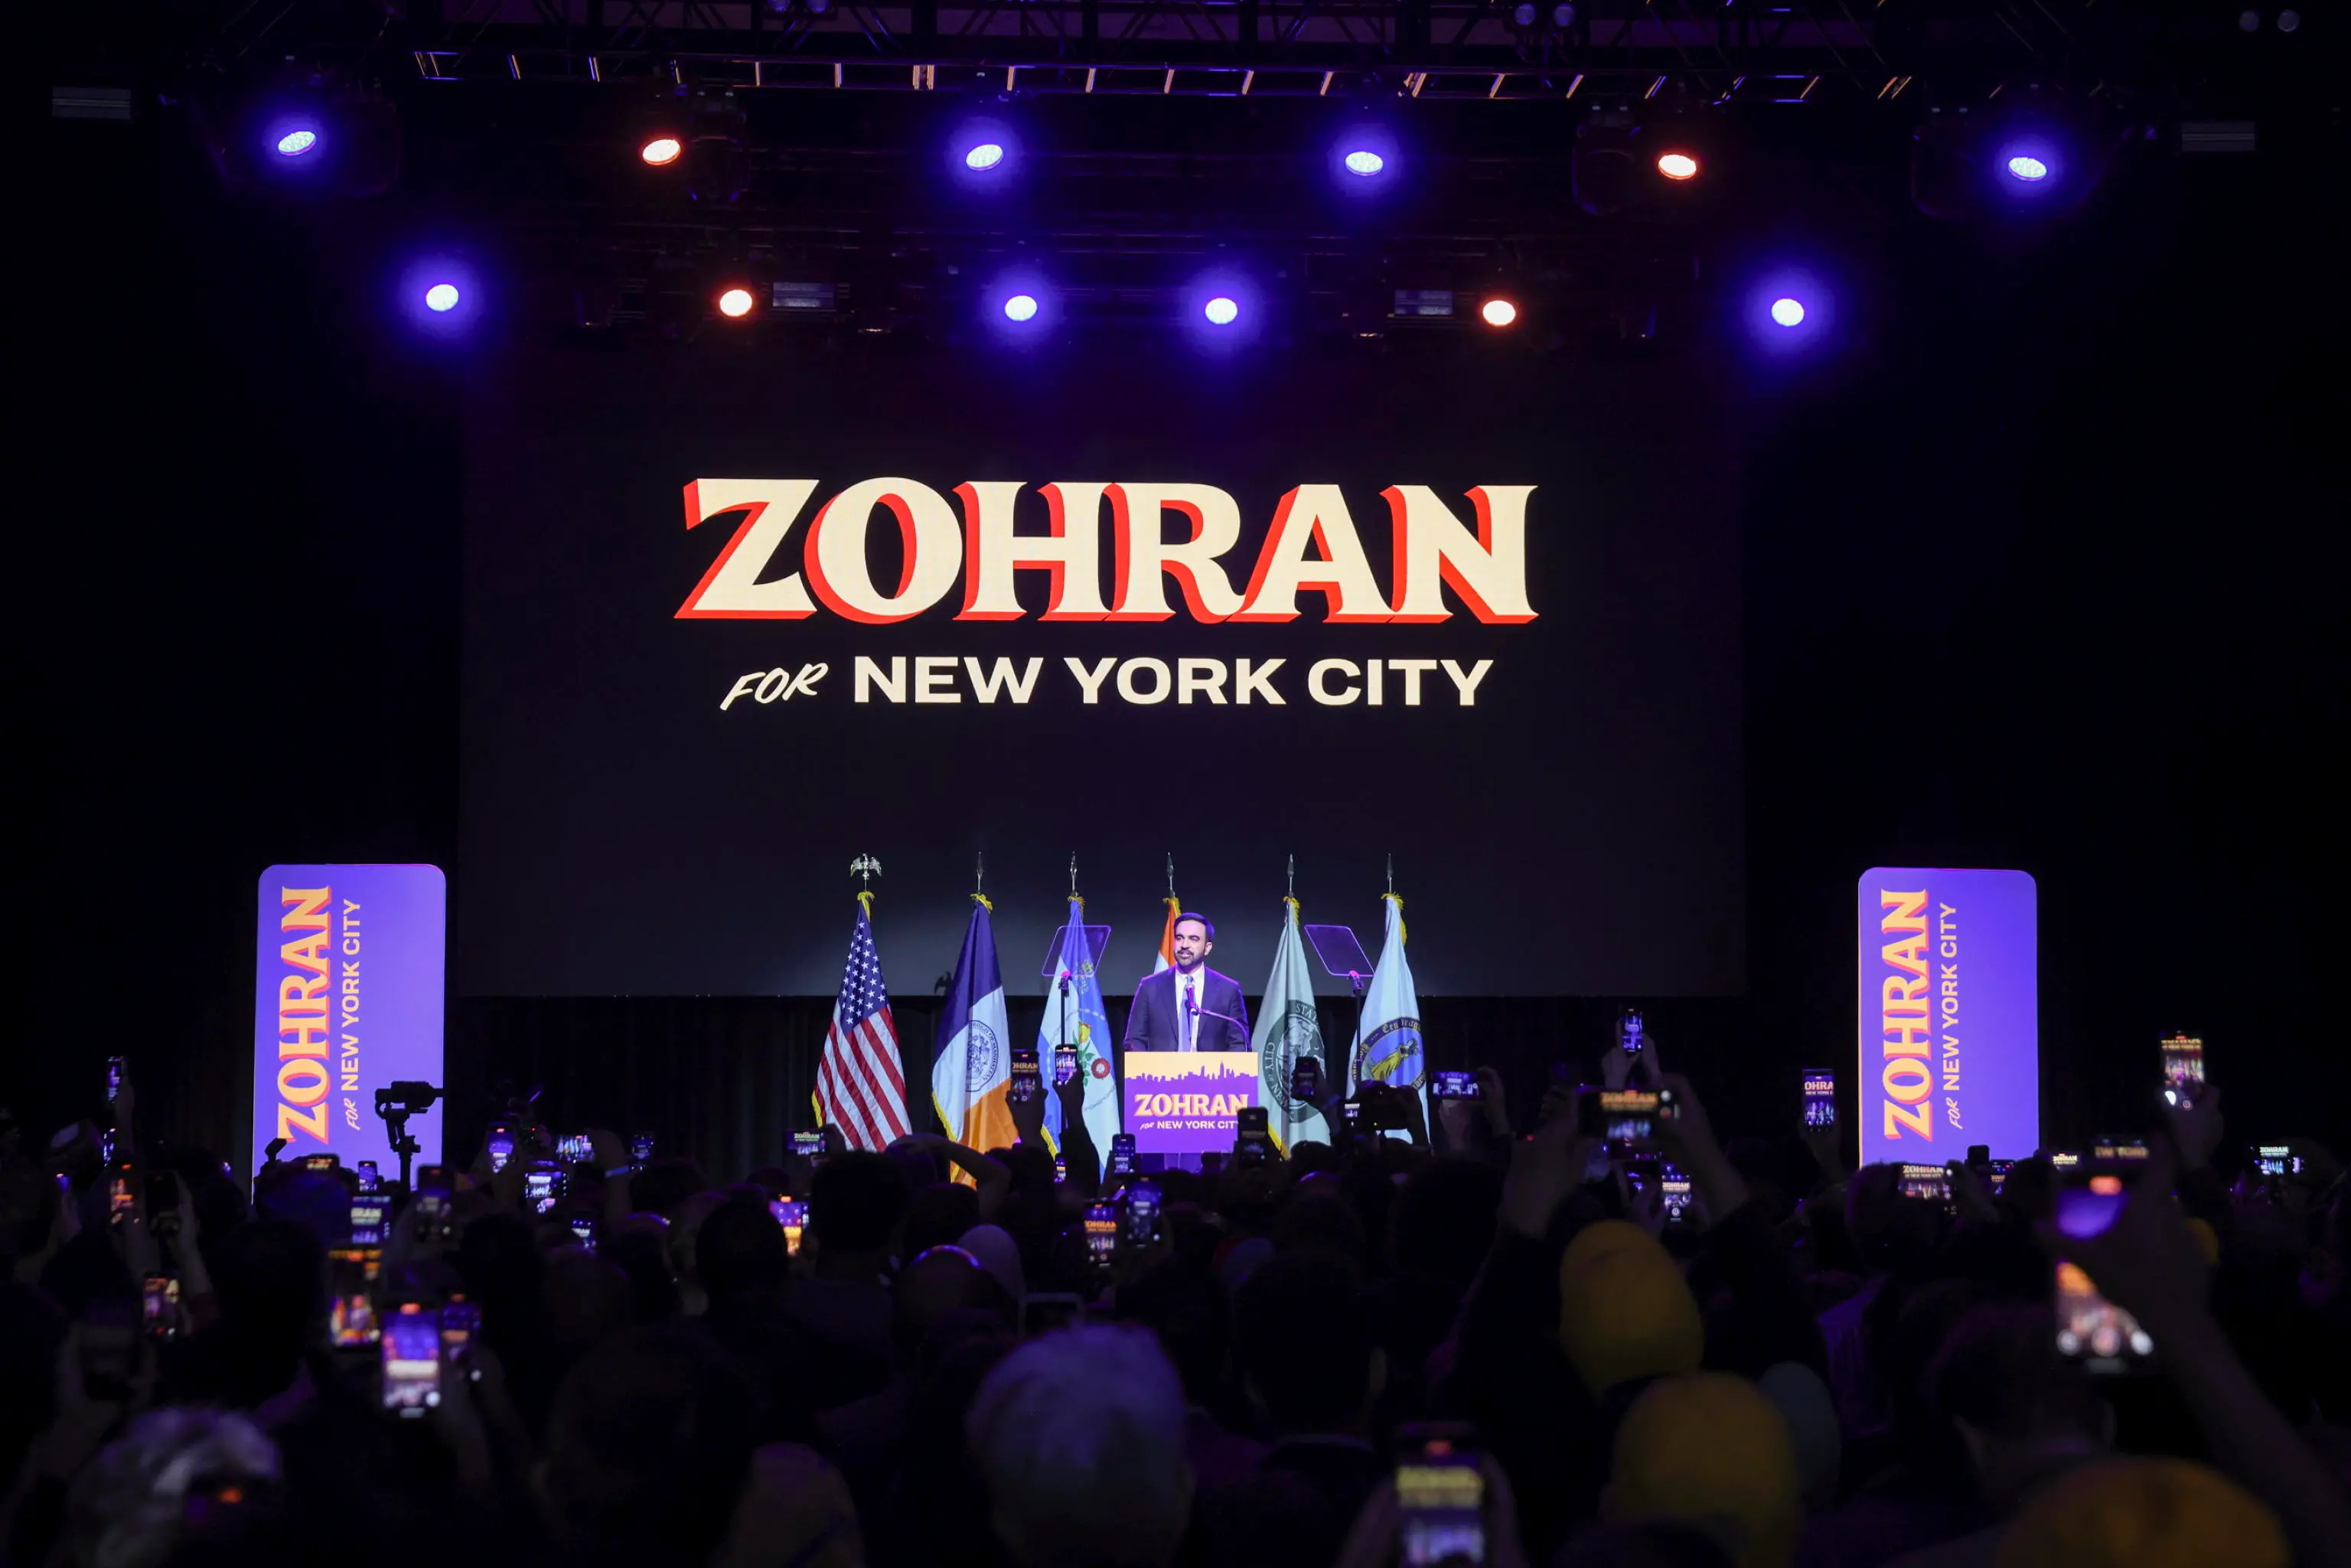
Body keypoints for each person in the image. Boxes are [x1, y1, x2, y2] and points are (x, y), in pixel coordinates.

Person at [1123, 913, 1250, 1054]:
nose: (1184, 945)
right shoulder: (1150, 987)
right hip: (1160, 1074)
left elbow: (1239, 1044)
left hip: (1211, 1074)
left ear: (1207, 948)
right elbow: (1134, 1041)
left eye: (1193, 939)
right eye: (1179, 938)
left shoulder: (1228, 990)